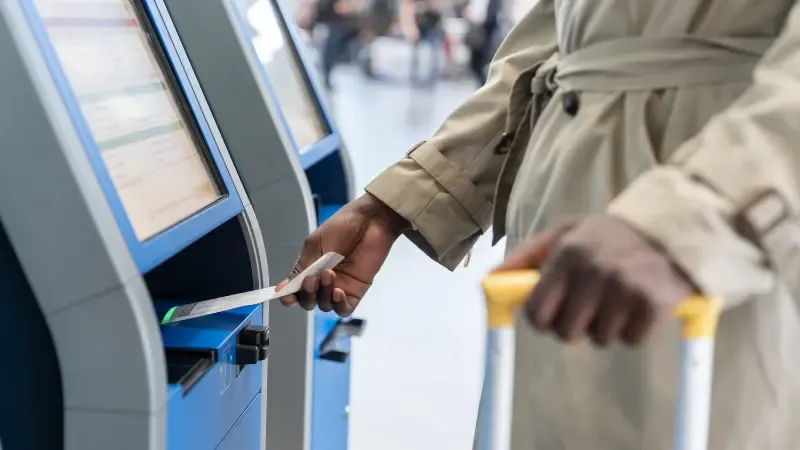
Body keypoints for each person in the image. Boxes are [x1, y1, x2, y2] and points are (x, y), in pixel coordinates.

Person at [279, 0, 800, 448]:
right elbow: (561, 42)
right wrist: (398, 200)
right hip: (565, 226)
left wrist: (697, 213)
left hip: (726, 249)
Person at [399, 0, 444, 84]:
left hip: (430, 26)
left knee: (433, 52)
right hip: (419, 26)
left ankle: (432, 76)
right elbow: (407, 12)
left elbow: (437, 11)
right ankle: (414, 75)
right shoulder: (412, 4)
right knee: (416, 53)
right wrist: (411, 28)